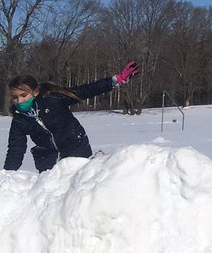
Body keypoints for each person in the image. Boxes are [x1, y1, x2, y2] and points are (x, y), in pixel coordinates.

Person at [5, 62, 140, 172]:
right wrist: (8, 178)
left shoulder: (53, 99)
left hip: (75, 148)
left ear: (35, 92)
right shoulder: (19, 119)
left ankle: (98, 163)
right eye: (15, 97)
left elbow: (87, 90)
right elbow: (15, 150)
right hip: (47, 160)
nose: (19, 101)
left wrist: (117, 80)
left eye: (24, 95)